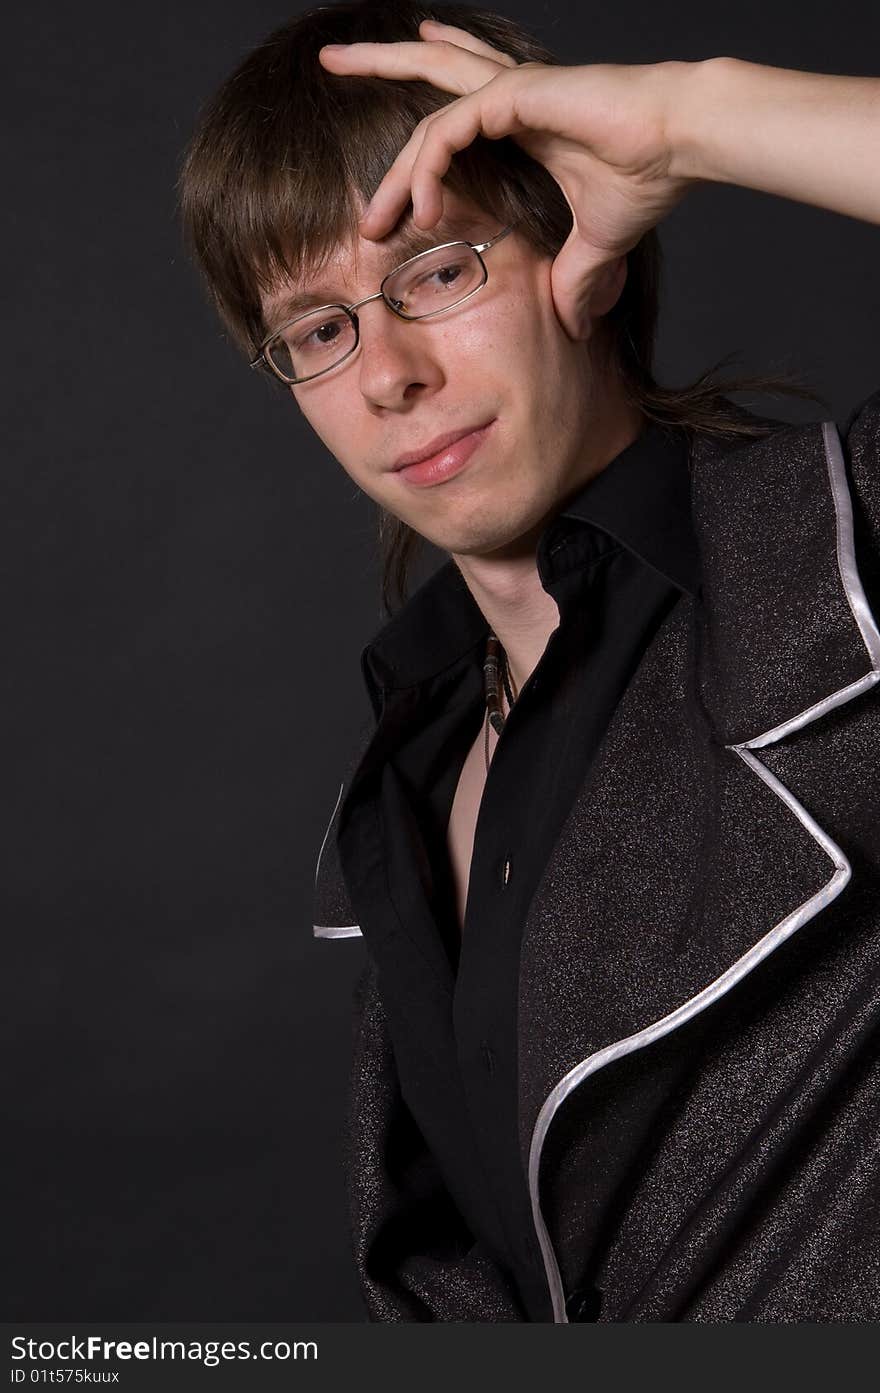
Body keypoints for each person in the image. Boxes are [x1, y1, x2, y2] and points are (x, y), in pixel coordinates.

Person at [178, 0, 880, 1322]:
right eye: (318, 329)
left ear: (582, 250)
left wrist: (690, 117)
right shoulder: (412, 768)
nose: (385, 373)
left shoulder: (843, 562)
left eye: (438, 270)